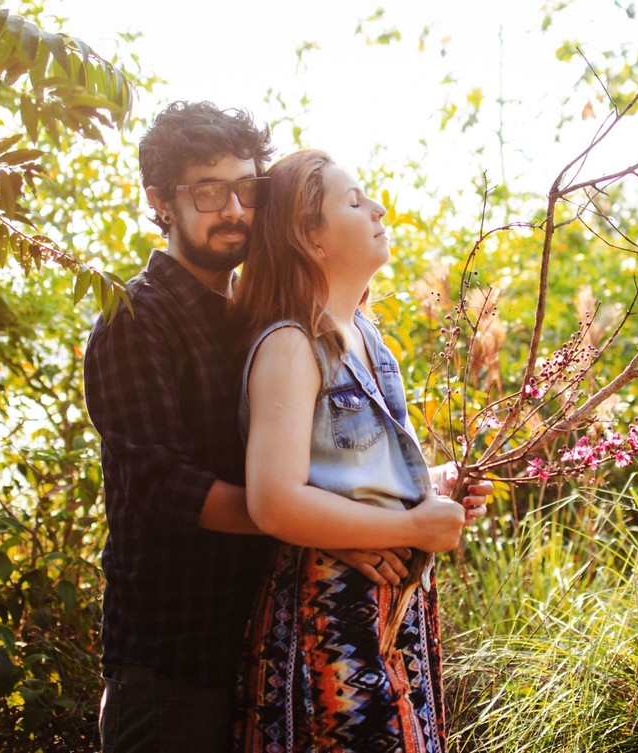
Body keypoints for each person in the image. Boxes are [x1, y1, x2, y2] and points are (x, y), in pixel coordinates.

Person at [84, 103, 490, 753]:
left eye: (247, 188)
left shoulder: (256, 313)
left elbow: (315, 459)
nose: (236, 210)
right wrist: (336, 526)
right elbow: (164, 487)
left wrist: (372, 505)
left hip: (262, 643)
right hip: (175, 660)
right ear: (160, 202)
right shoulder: (137, 320)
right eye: (208, 191)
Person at [231, 149, 475, 752]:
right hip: (330, 617)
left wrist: (435, 488)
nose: (378, 208)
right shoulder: (291, 346)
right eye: (354, 200)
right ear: (309, 238)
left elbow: (353, 474)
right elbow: (274, 501)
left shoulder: (366, 336)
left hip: (389, 607)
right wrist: (415, 524)